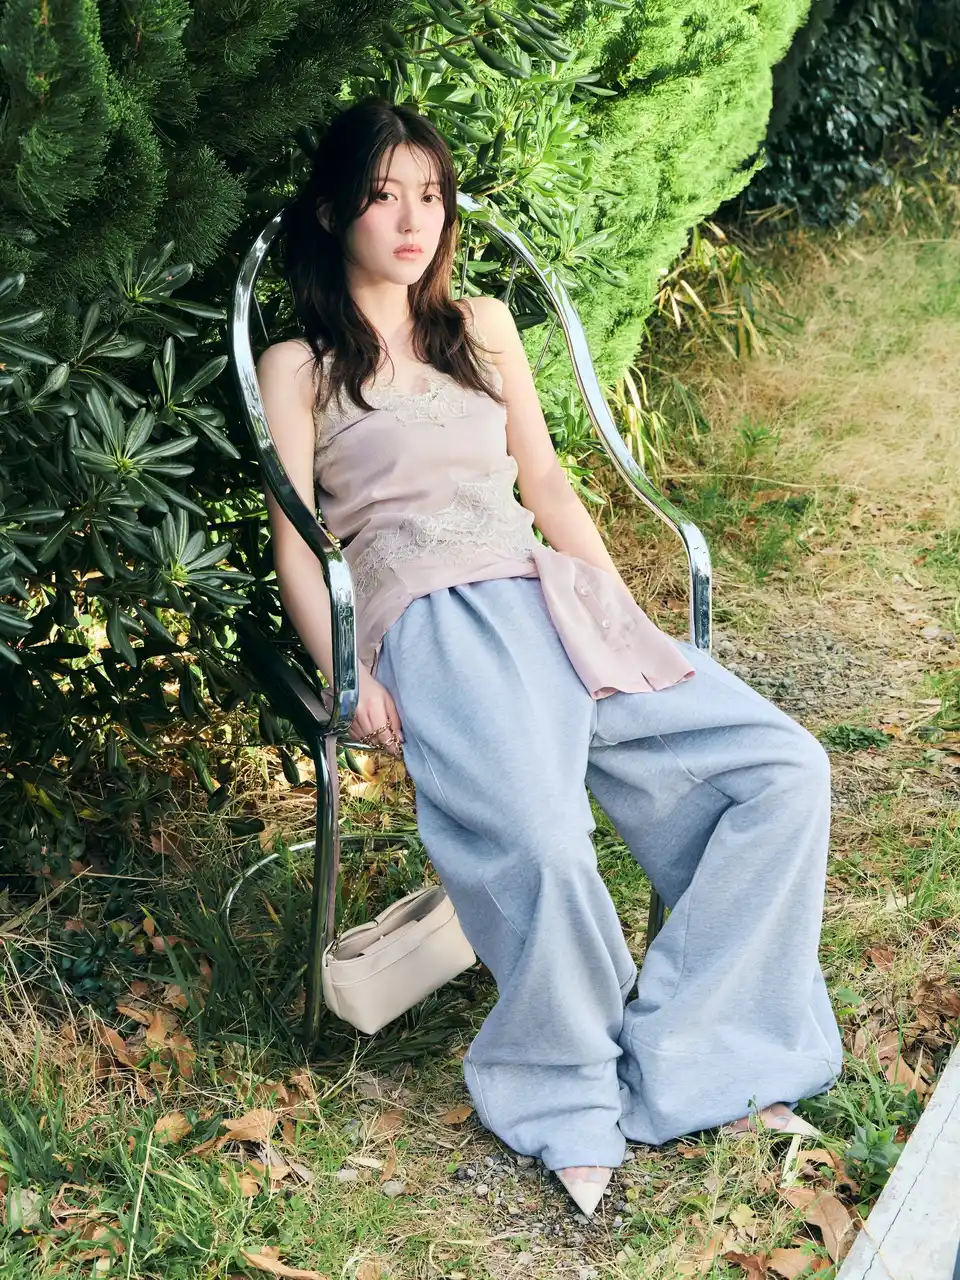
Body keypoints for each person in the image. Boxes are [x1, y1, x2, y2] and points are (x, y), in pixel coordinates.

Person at [254, 95, 843, 1218]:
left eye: (431, 195)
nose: (413, 220)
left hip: (549, 599)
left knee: (779, 771)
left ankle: (703, 1051)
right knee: (544, 841)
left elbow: (551, 487)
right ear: (334, 211)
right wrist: (347, 675)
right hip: (432, 629)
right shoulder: (302, 364)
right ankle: (568, 1085)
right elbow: (300, 545)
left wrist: (620, 612)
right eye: (383, 196)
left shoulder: (480, 327)